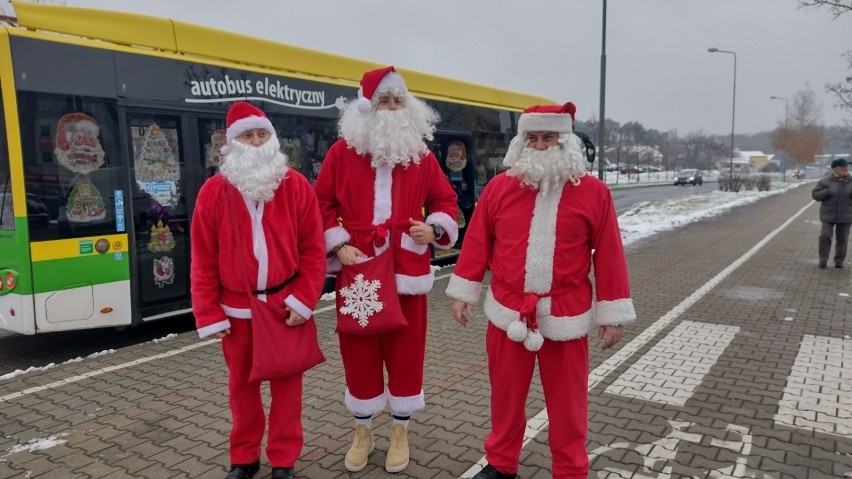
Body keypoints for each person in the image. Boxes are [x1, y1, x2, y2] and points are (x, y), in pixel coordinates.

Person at [445, 102, 637, 479]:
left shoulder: (593, 193)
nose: (540, 145)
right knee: (505, 397)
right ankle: (501, 464)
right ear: (522, 141)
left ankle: (570, 469)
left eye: (549, 137)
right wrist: (463, 291)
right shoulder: (500, 188)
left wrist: (611, 314)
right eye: (532, 138)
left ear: (565, 141)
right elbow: (478, 242)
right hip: (508, 311)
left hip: (566, 312)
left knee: (568, 404)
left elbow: (610, 253)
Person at [314, 66, 459, 474]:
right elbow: (319, 205)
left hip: (407, 269)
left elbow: (447, 203)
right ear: (367, 108)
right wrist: (337, 245)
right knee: (358, 351)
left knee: (406, 353)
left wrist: (433, 228)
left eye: (398, 101)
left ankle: (400, 431)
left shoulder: (421, 156)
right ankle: (363, 430)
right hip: (358, 269)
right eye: (384, 101)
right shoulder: (341, 154)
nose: (392, 108)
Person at [191, 102, 326, 479]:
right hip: (236, 313)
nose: (255, 141)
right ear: (233, 143)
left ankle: (283, 460)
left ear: (272, 138)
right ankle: (244, 458)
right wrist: (208, 312)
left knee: (287, 391)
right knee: (242, 390)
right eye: (247, 136)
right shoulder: (213, 192)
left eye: (261, 134)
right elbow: (202, 258)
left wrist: (304, 299)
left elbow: (314, 250)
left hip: (285, 308)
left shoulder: (296, 185)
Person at [811, 157, 852, 269]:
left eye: (846, 166)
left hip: (846, 215)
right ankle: (823, 259)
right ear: (835, 169)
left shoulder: (851, 180)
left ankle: (839, 260)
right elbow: (815, 195)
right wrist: (827, 192)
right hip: (828, 214)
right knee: (825, 236)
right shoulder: (826, 181)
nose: (846, 169)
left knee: (842, 239)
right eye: (843, 167)